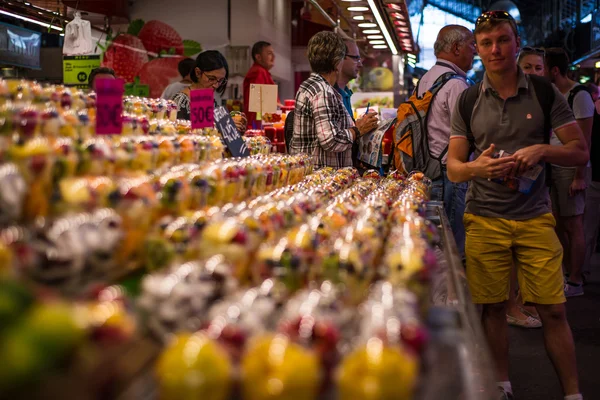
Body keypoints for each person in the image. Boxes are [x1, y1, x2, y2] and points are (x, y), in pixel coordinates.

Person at [447, 11, 588, 400]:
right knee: (492, 309)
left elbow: (579, 151)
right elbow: (455, 168)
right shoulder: (469, 99)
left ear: (517, 41)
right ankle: (502, 386)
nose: (496, 49)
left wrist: (543, 150)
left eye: (503, 40)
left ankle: (573, 392)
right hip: (484, 218)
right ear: (476, 49)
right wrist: (478, 166)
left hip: (534, 217)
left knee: (554, 309)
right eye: (487, 42)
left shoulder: (545, 93)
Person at [416, 24, 475, 258]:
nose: (475, 51)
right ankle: (452, 294)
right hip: (450, 174)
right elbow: (468, 133)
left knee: (435, 245)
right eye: (472, 45)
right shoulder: (456, 85)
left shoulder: (425, 79)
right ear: (456, 47)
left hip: (428, 170)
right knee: (452, 248)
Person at [545, 47, 594, 297]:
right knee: (557, 223)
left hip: (571, 169)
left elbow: (584, 142)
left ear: (554, 70)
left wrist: (579, 176)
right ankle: (566, 273)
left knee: (573, 224)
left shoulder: (579, 95)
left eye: (542, 68)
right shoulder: (553, 94)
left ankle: (576, 280)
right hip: (554, 166)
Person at [289, 31, 378, 169]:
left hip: (313, 175)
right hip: (321, 178)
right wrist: (358, 129)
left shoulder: (312, 86)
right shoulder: (323, 91)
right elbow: (330, 140)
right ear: (337, 62)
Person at [172, 50, 246, 133]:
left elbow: (209, 134)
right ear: (198, 73)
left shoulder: (210, 100)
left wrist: (234, 126)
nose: (216, 85)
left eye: (221, 80)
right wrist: (221, 126)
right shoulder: (181, 101)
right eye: (211, 79)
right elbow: (179, 134)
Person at [244, 41, 277, 129]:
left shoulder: (262, 72)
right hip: (258, 126)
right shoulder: (258, 72)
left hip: (262, 123)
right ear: (258, 57)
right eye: (269, 54)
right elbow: (257, 104)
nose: (273, 57)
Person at [336, 37, 361, 119]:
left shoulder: (346, 93)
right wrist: (358, 128)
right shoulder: (329, 95)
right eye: (355, 58)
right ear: (340, 58)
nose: (360, 65)